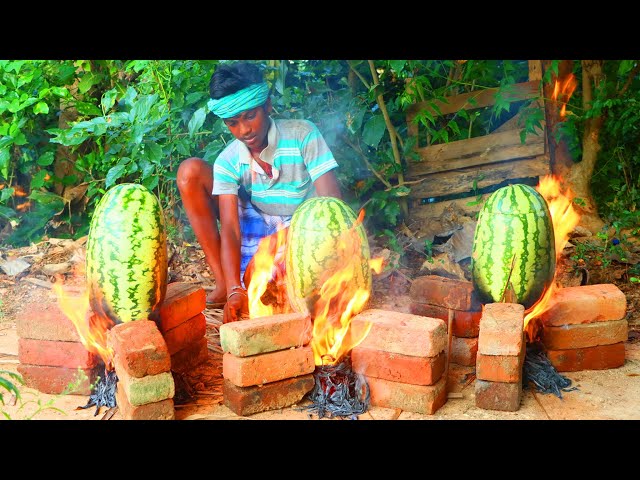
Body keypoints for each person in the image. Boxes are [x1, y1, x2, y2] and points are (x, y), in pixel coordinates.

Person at [177, 61, 342, 323]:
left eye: (250, 116)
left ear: (267, 106)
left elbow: (333, 207)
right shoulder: (228, 161)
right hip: (257, 223)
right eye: (233, 123)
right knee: (253, 284)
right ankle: (225, 286)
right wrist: (235, 289)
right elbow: (230, 229)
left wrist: (278, 242)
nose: (244, 130)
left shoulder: (302, 135)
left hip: (305, 228)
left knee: (299, 293)